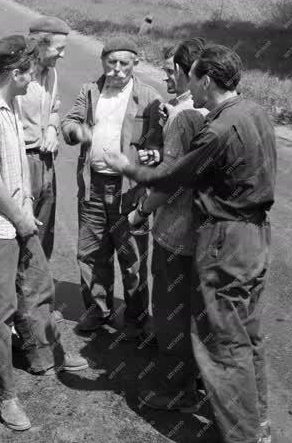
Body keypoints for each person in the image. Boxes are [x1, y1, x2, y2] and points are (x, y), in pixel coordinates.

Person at [104, 44, 276, 443]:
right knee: (246, 336)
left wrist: (126, 165)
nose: (187, 89)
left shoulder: (217, 129)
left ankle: (244, 436)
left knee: (221, 344)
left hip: (226, 237)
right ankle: (258, 421)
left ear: (206, 80)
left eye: (192, 79)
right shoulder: (254, 112)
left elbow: (170, 179)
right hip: (254, 235)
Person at [0, 35, 88, 432]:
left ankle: (46, 352)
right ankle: (5, 394)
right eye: (27, 74)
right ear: (15, 73)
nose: (31, 81)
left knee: (39, 284)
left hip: (16, 220)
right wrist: (20, 218)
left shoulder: (6, 105)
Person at [61, 35, 162, 338]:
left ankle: (137, 316)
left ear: (135, 64)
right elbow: (70, 121)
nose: (117, 70)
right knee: (92, 253)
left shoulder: (148, 96)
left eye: (124, 64)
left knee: (132, 257)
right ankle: (98, 310)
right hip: (94, 185)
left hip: (128, 189)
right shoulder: (90, 90)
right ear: (103, 61)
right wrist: (75, 131)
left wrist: (152, 152)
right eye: (111, 62)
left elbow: (158, 140)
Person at [128, 38, 208, 412]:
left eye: (171, 70)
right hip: (205, 236)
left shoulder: (181, 117)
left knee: (171, 314)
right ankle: (198, 382)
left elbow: (169, 182)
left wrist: (141, 211)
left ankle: (178, 391)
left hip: (175, 234)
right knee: (198, 315)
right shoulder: (213, 113)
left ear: (186, 71)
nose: (166, 77)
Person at [19, 16, 70, 321]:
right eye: (58, 49)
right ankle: (23, 312)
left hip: (46, 161)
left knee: (45, 233)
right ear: (40, 44)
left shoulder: (51, 72)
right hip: (23, 160)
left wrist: (52, 128)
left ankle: (41, 305)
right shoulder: (15, 76)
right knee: (24, 234)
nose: (62, 55)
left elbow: (54, 108)